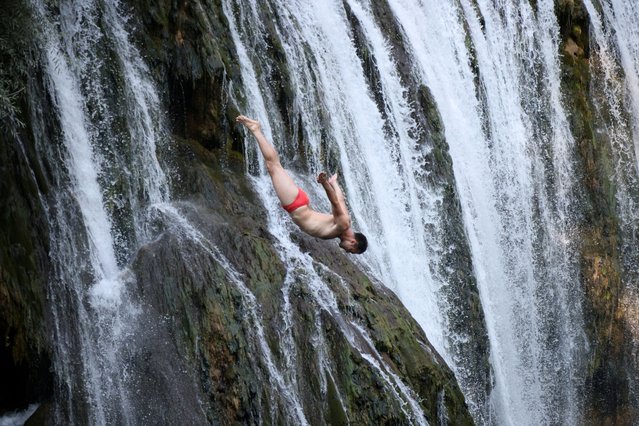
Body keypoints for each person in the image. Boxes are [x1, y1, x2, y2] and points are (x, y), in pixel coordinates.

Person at [236, 115, 368, 254]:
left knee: (275, 167)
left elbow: (340, 200)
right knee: (273, 166)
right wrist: (324, 184)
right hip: (296, 205)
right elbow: (335, 202)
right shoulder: (343, 224)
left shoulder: (345, 223)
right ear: (353, 242)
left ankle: (256, 129)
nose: (347, 251)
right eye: (350, 250)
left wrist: (334, 183)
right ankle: (256, 129)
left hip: (300, 203)